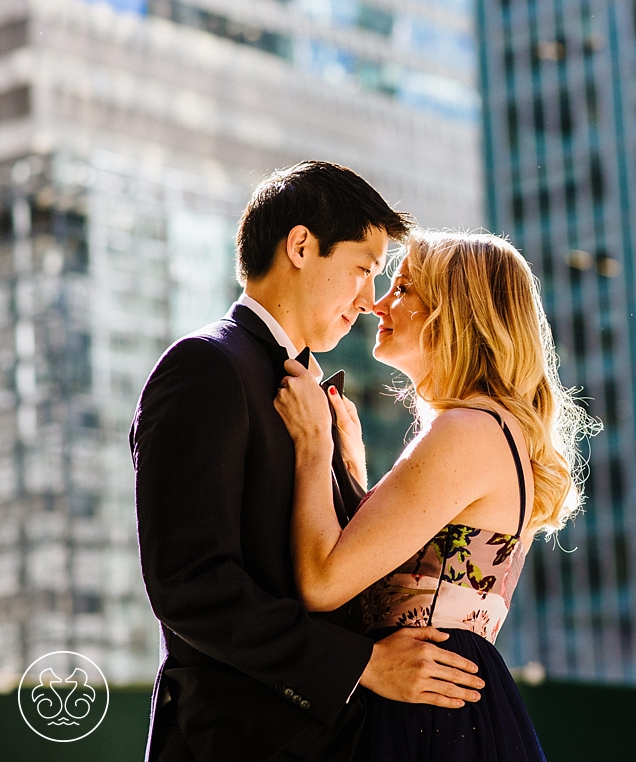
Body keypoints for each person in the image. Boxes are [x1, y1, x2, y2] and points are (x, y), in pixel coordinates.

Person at [132, 163, 485, 762]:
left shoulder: (309, 390)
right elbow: (192, 584)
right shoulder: (206, 367)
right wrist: (363, 666)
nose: (371, 299)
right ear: (301, 246)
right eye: (363, 270)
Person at [274, 229, 597, 762]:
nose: (378, 303)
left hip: (428, 711)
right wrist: (352, 467)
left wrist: (312, 446)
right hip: (435, 701)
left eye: (402, 289)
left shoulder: (469, 429)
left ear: (455, 314)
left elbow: (324, 581)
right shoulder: (483, 427)